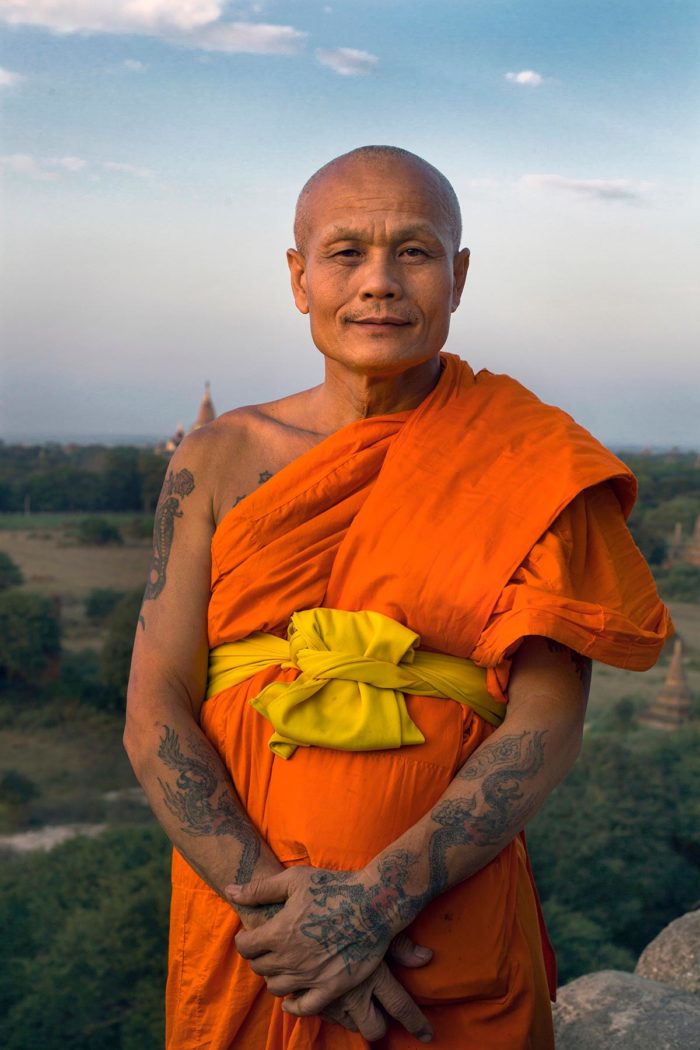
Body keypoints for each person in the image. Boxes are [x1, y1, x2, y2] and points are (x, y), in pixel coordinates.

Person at [124, 145, 672, 1049]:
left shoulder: (530, 461)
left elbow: (546, 720)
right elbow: (154, 707)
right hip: (256, 941)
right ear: (299, 279)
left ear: (457, 277)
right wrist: (287, 925)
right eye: (346, 253)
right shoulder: (217, 459)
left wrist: (376, 903)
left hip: (443, 934)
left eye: (413, 252)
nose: (379, 282)